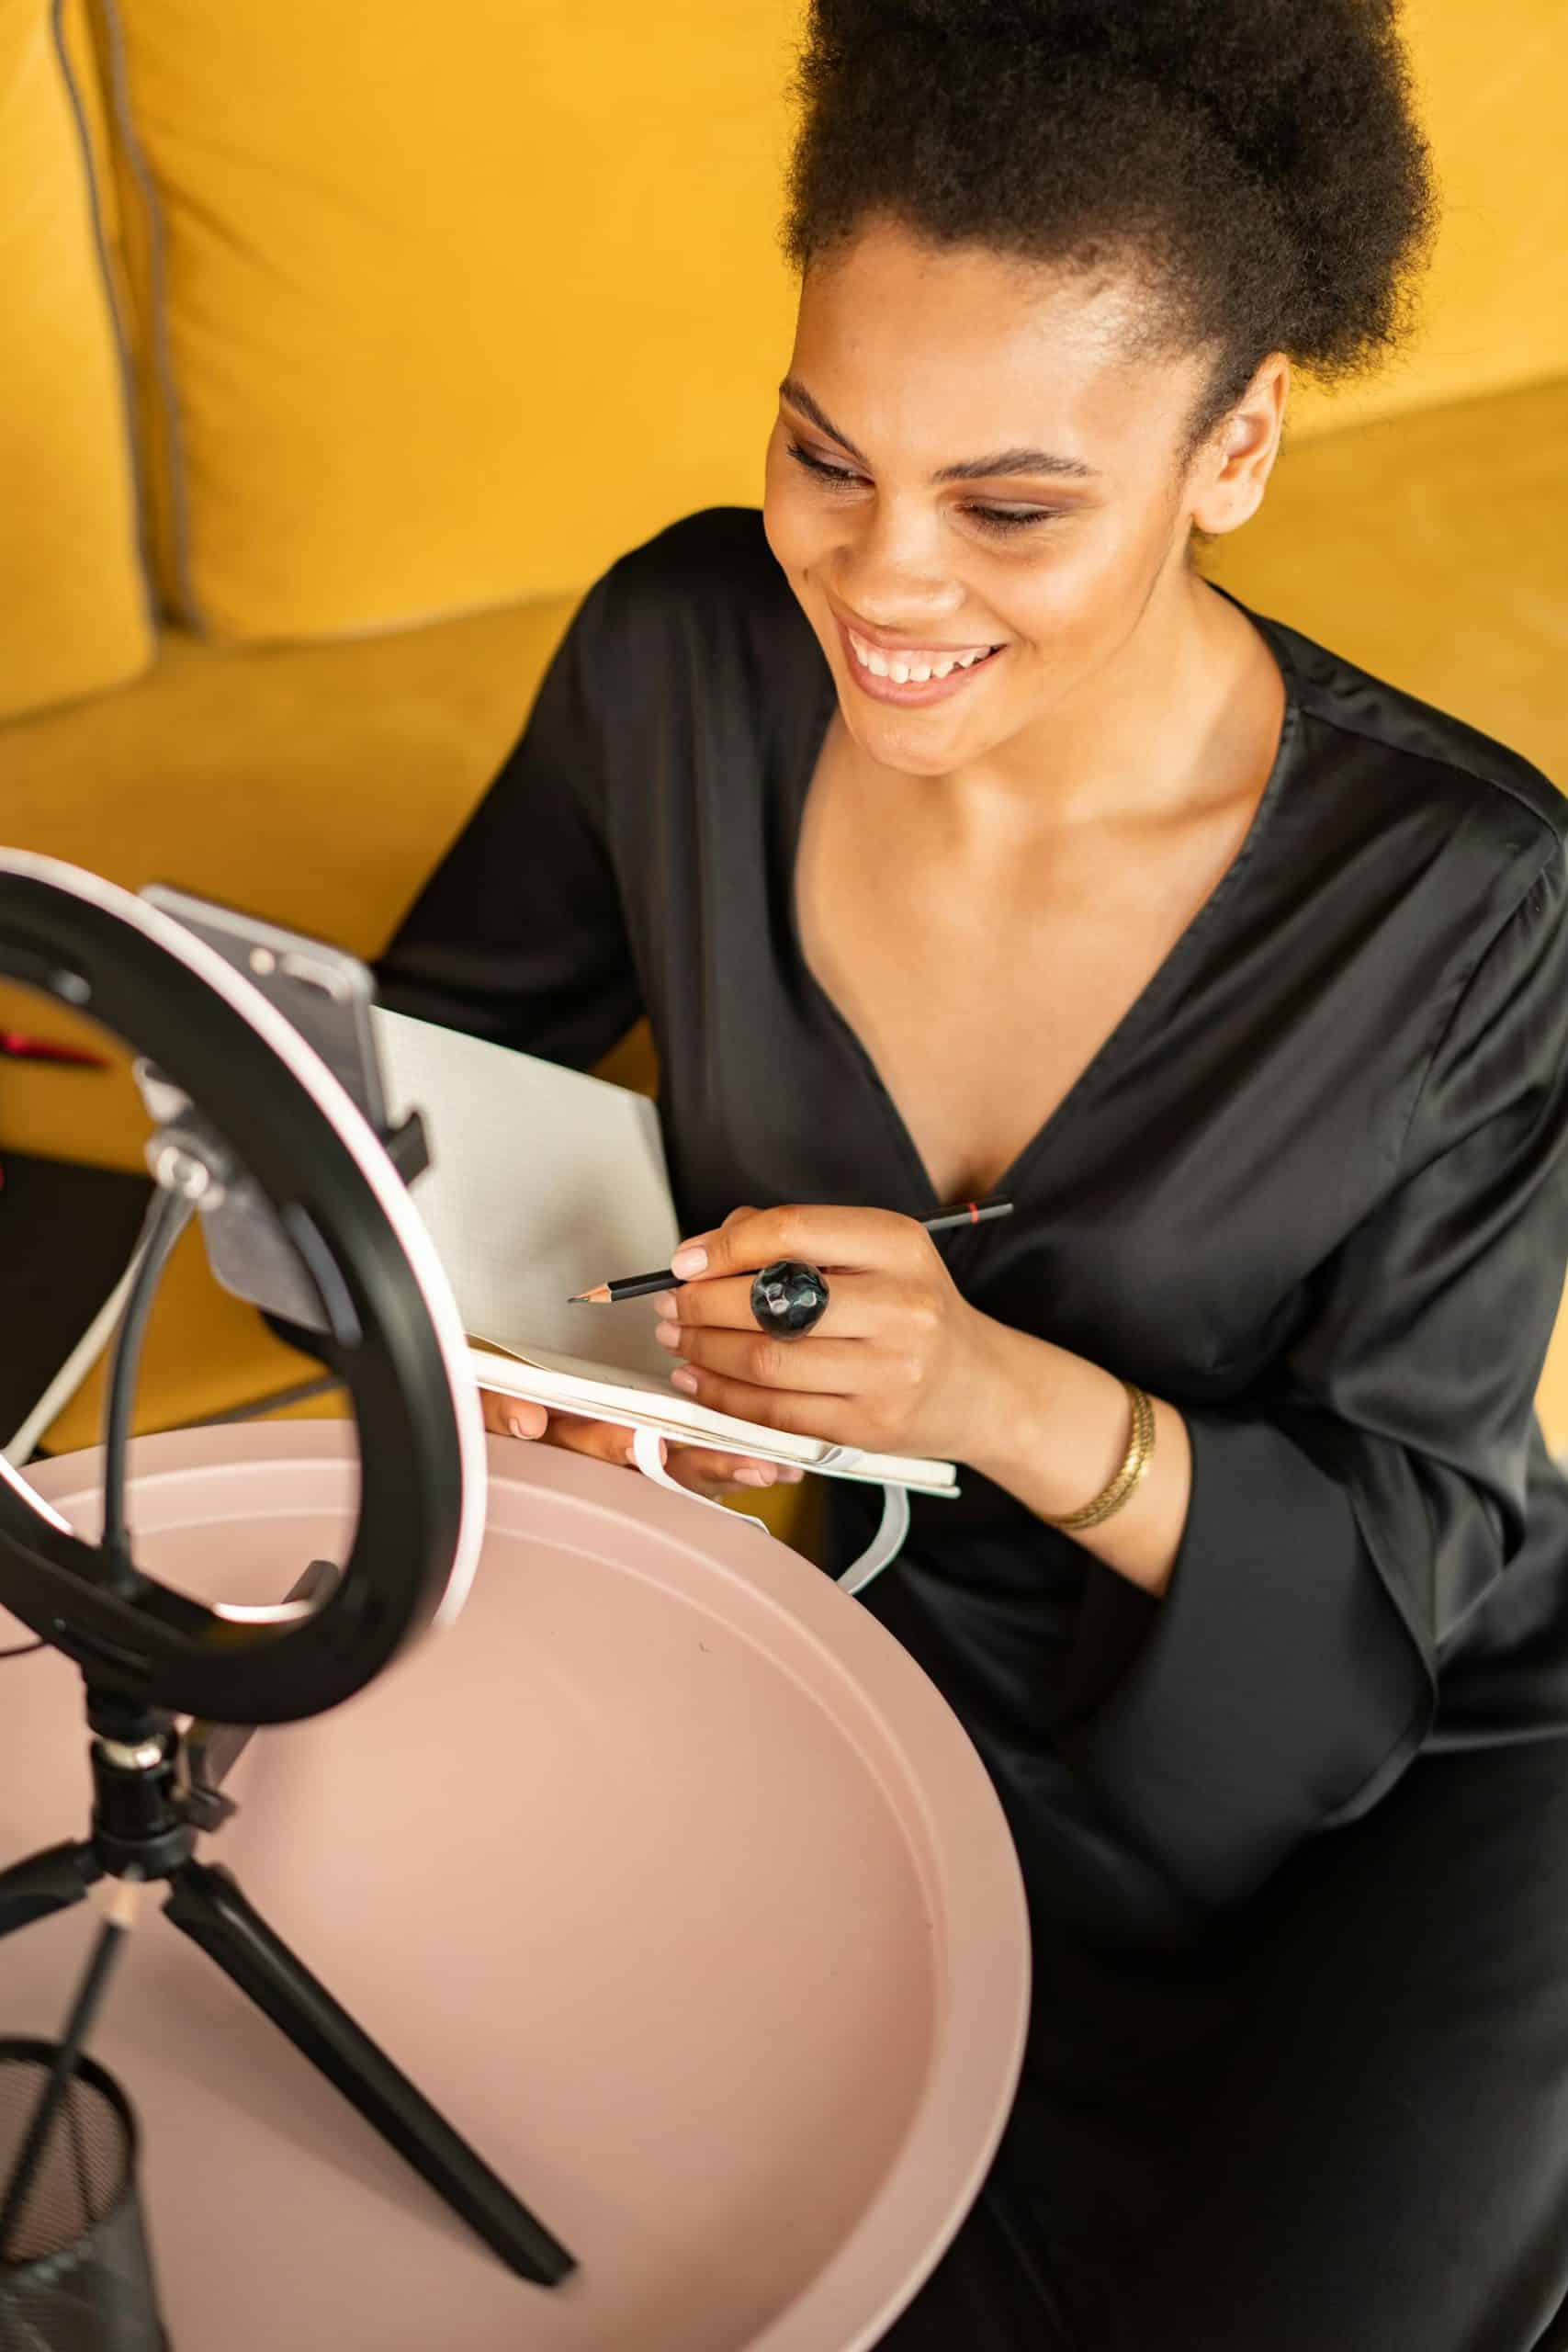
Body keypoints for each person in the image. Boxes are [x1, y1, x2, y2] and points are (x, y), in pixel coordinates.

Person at [373, 2, 1568, 2342]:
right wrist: (564, 1357)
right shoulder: (678, 650)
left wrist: (995, 1401)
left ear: (1232, 442)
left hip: (1405, 1760)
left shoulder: (1470, 895)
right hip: (864, 1701)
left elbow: (1401, 1570)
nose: (879, 585)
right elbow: (438, 1067)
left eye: (1010, 505)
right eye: (823, 455)